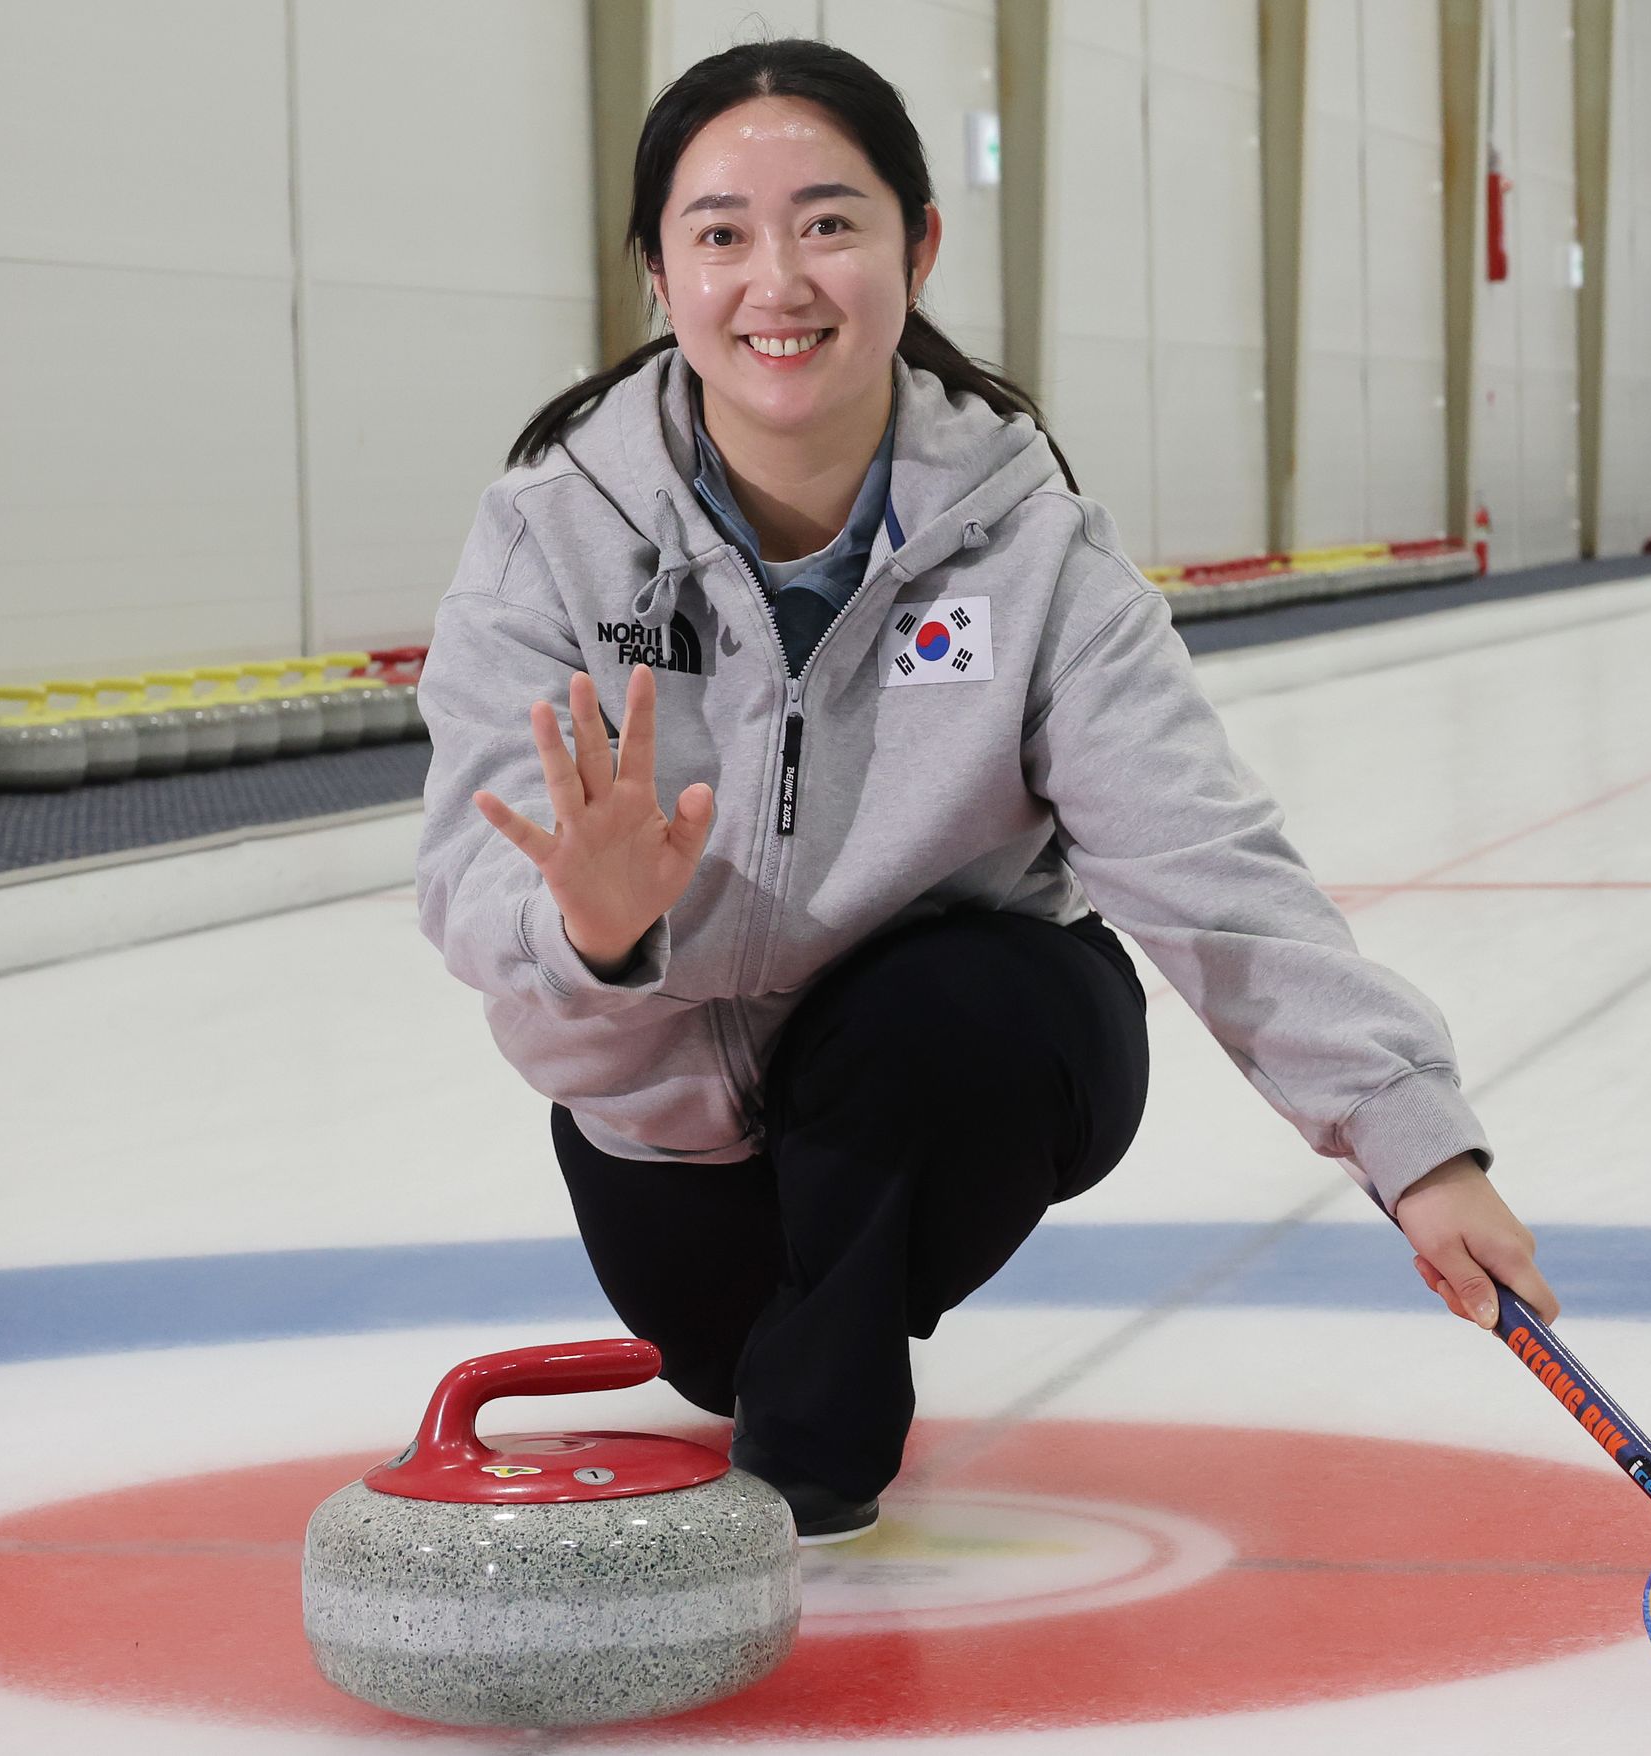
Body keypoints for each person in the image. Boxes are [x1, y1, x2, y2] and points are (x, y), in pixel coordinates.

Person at [413, 37, 1560, 1545]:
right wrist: (594, 932)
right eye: (722, 234)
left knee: (979, 1007)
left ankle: (813, 1469)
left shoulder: (1031, 555)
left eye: (830, 222)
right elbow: (466, 866)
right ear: (657, 274)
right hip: (668, 1117)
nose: (779, 280)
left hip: (937, 1076)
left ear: (918, 245)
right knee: (715, 1348)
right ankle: (791, 1345)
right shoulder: (554, 533)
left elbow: (1205, 860)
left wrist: (1419, 1145)